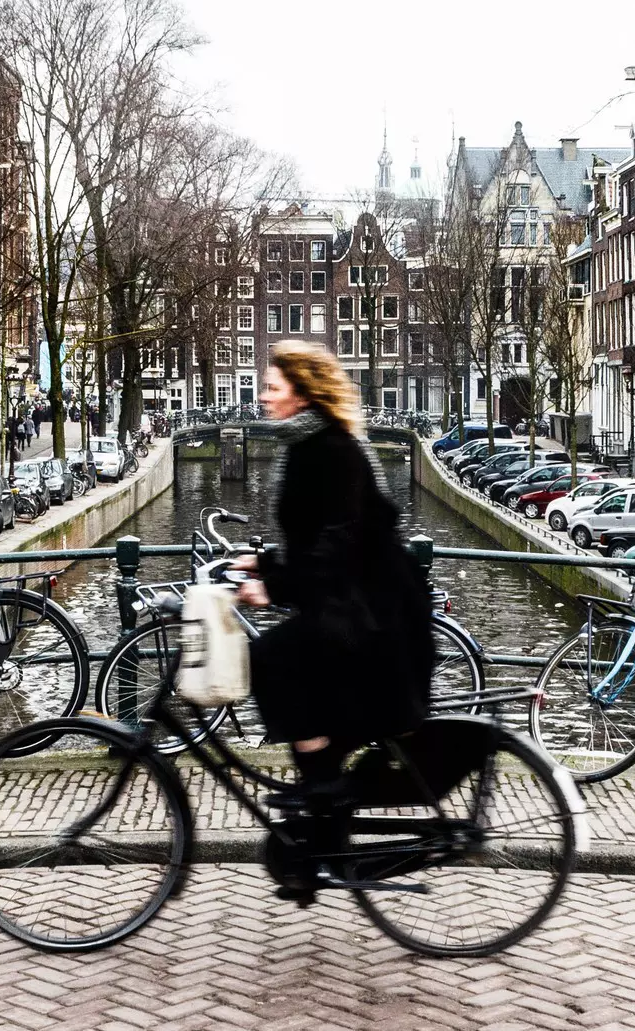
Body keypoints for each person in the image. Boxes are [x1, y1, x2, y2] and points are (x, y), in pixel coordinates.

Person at [231, 339, 433, 900]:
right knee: (310, 697)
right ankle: (324, 842)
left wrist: (272, 585)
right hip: (350, 602)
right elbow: (315, 540)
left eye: (272, 387)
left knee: (272, 659)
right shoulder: (309, 444)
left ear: (301, 391)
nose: (264, 397)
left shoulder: (332, 449)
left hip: (373, 612)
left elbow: (338, 544)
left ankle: (323, 800)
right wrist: (264, 562)